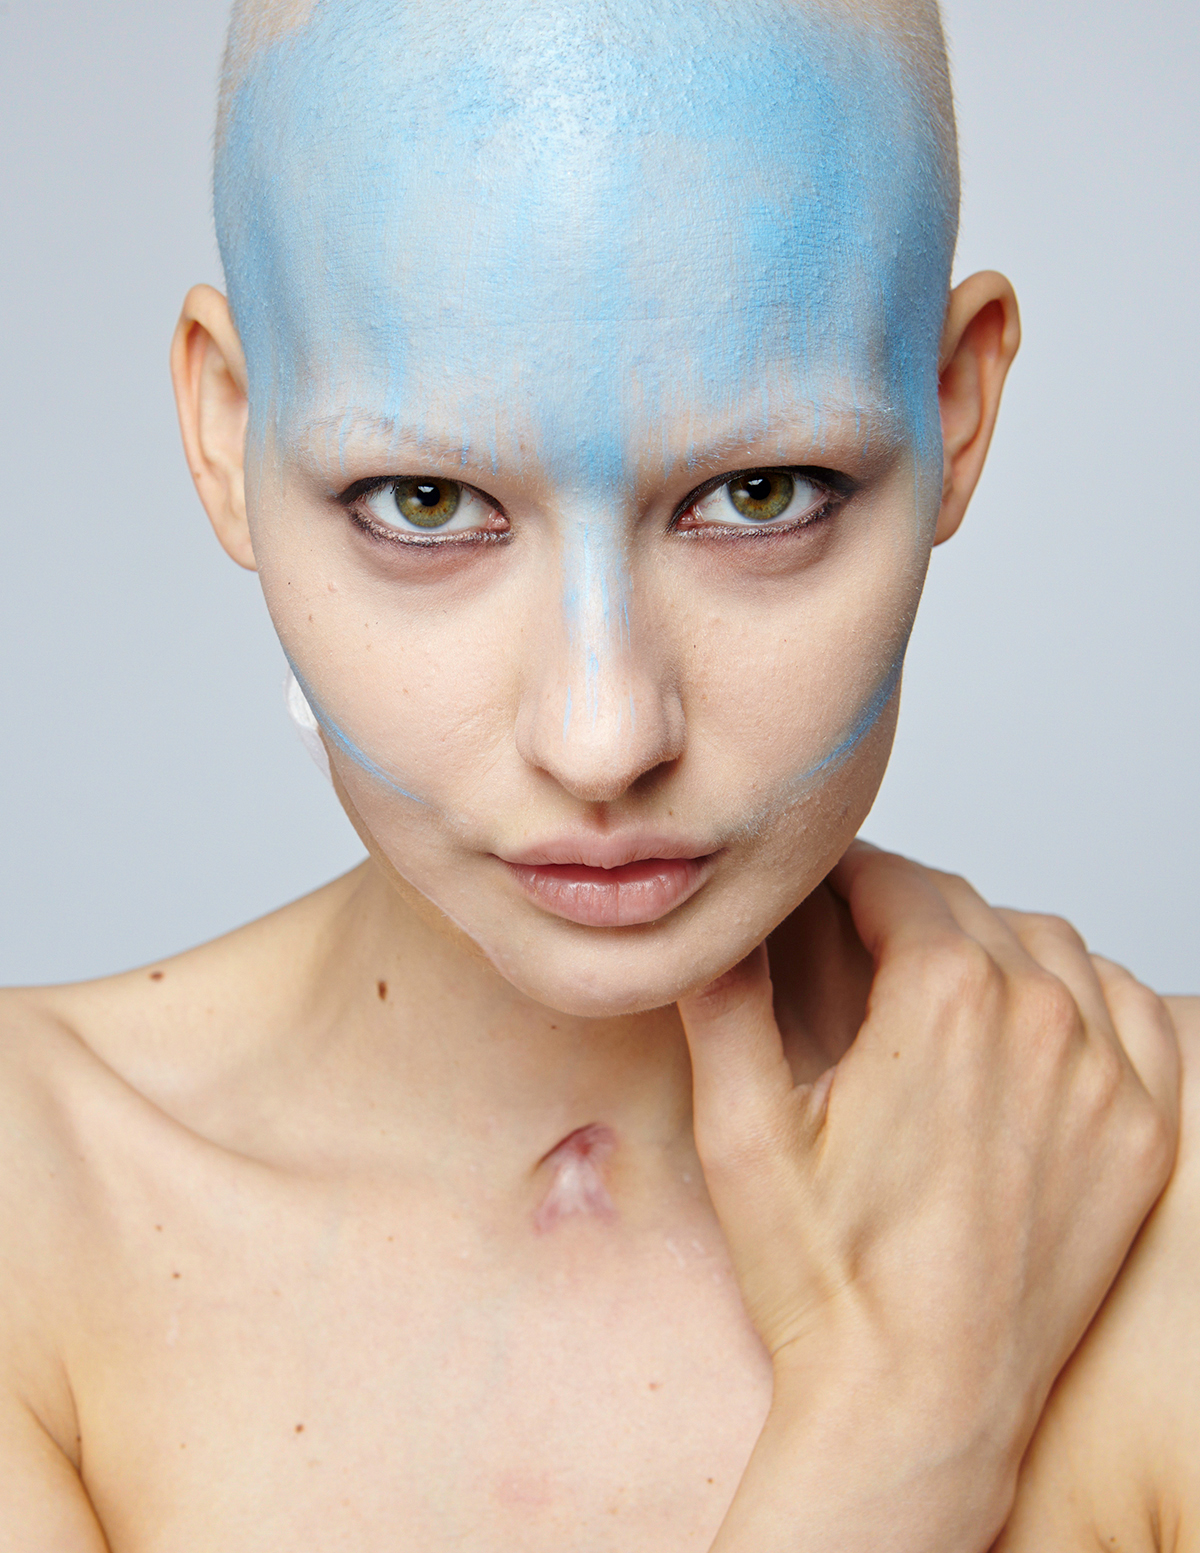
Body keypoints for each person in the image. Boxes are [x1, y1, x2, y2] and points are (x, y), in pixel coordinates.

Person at [0, 0, 1193, 1548]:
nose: (603, 733)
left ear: (953, 407)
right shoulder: (29, 1209)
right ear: (229, 433)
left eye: (760, 492)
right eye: (426, 501)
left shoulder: (1163, 1203)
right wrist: (899, 1434)